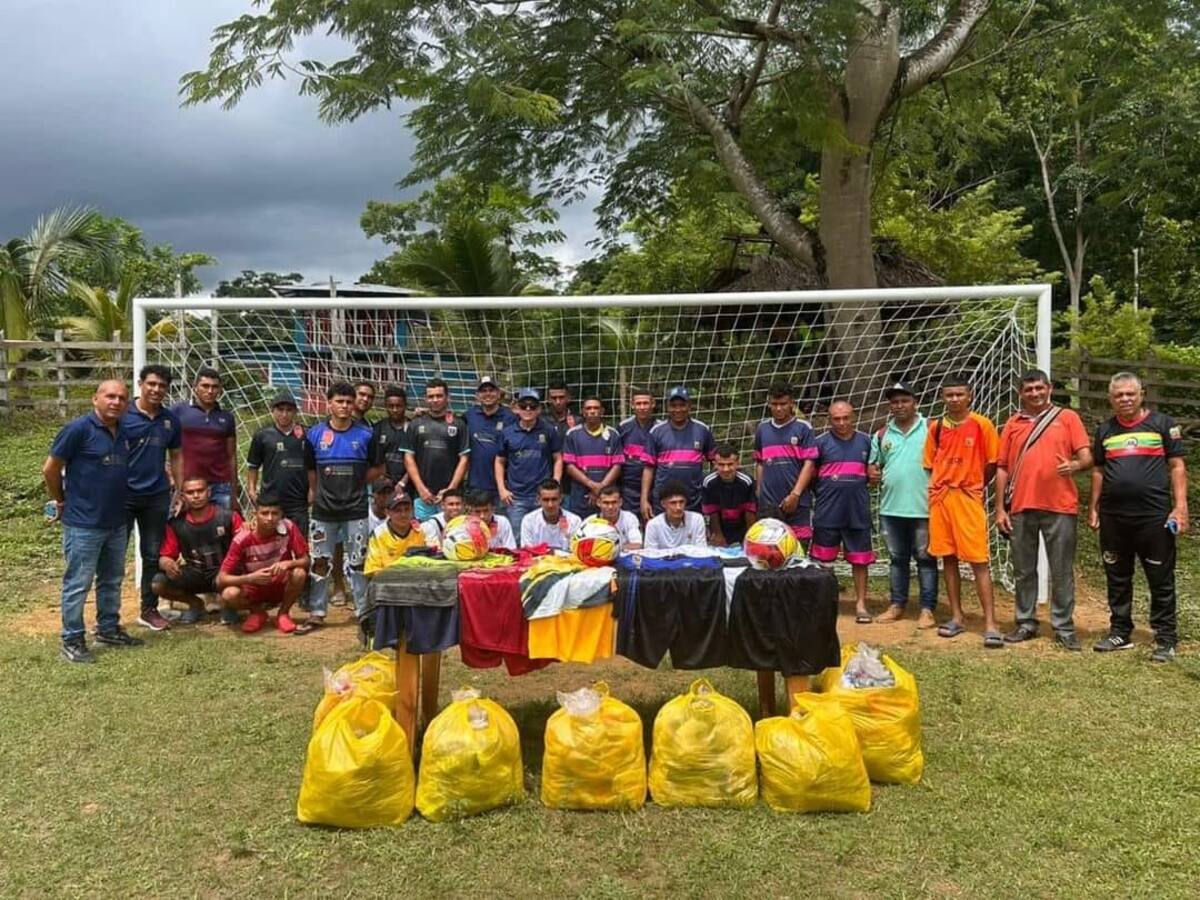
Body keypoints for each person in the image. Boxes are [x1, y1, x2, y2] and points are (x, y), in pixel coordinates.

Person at [1089, 372, 1188, 661]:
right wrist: (1093, 507)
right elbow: (1098, 470)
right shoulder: (1105, 430)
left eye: (1130, 393)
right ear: (1111, 399)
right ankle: (1120, 632)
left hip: (1154, 518)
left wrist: (1180, 507)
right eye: (1118, 395)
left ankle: (1166, 638)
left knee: (1160, 578)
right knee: (1117, 576)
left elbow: (1177, 467)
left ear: (1141, 394)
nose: (1125, 399)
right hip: (1114, 518)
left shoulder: (1163, 425)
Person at [43, 379, 142, 663]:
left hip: (116, 521)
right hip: (83, 524)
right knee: (78, 583)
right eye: (110, 396)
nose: (116, 402)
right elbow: (50, 469)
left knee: (112, 579)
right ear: (94, 399)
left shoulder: (125, 432)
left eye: (121, 398)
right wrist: (61, 500)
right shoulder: (78, 429)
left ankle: (108, 629)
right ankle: (72, 639)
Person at [994, 369, 1092, 650]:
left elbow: (1087, 457)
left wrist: (1074, 465)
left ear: (1049, 388)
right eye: (1029, 389)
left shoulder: (1067, 418)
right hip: (1021, 505)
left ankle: (1063, 627)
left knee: (1061, 570)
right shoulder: (1013, 423)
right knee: (1023, 569)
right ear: (1020, 393)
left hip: (1060, 505)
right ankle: (1026, 622)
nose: (1035, 393)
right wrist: (999, 508)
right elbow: (1002, 467)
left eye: (1039, 388)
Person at [924, 375, 1002, 647]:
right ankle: (957, 617)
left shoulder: (982, 425)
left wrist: (973, 484)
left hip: (968, 498)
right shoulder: (936, 427)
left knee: (979, 561)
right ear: (942, 397)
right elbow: (930, 464)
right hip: (941, 499)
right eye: (949, 395)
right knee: (948, 558)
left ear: (970, 396)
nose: (954, 399)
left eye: (959, 394)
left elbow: (992, 463)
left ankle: (990, 623)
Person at [304, 380, 383, 630]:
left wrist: (357, 482)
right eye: (339, 401)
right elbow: (310, 469)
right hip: (323, 510)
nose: (345, 406)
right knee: (320, 561)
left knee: (358, 561)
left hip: (356, 508)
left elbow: (379, 468)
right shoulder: (314, 434)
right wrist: (315, 491)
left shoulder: (366, 435)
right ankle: (317, 611)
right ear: (329, 404)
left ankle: (363, 611)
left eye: (349, 402)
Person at [795, 401, 875, 621]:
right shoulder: (820, 443)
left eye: (846, 417)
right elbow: (811, 476)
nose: (841, 423)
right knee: (823, 562)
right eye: (836, 419)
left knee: (860, 560)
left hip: (857, 511)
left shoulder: (867, 441)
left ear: (853, 417)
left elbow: (873, 472)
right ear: (829, 419)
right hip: (827, 512)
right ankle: (824, 603)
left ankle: (861, 605)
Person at [869, 381, 937, 628]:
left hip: (924, 508)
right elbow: (873, 466)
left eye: (904, 401)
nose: (899, 406)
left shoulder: (931, 428)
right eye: (895, 402)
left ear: (915, 402)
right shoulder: (881, 434)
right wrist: (872, 472)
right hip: (891, 508)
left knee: (926, 559)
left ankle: (927, 609)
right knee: (897, 559)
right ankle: (897, 605)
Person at [122, 365, 183, 632]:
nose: (156, 389)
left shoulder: (170, 420)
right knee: (113, 556)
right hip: (122, 496)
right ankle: (107, 617)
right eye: (152, 384)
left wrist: (179, 490)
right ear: (140, 384)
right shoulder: (122, 414)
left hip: (156, 496)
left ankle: (148, 610)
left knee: (151, 555)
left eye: (162, 386)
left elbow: (177, 456)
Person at [153, 476, 244, 625]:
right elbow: (166, 555)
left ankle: (228, 606)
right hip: (195, 573)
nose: (196, 496)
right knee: (158, 584)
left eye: (200, 491)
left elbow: (246, 548)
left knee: (235, 587)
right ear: (183, 496)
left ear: (209, 492)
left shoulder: (229, 517)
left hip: (225, 573)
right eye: (190, 492)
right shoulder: (175, 524)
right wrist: (166, 562)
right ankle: (196, 604)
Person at [217, 491, 310, 634]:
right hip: (253, 588)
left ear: (281, 514)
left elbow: (306, 560)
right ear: (255, 514)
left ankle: (283, 613)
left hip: (280, 584)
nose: (270, 518)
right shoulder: (242, 538)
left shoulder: (289, 527)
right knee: (229, 594)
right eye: (264, 513)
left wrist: (288, 564)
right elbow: (221, 578)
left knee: (299, 573)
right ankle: (257, 612)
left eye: (275, 513)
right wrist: (250, 578)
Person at [754, 381, 817, 546]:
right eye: (774, 404)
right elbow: (760, 462)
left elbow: (809, 464)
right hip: (769, 503)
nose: (778, 408)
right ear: (768, 403)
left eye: (783, 404)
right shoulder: (762, 428)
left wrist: (795, 494)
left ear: (791, 403)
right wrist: (760, 491)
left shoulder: (804, 428)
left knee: (799, 549)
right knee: (768, 551)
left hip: (797, 502)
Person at [640, 386, 716, 518]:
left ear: (689, 406)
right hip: (663, 499)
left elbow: (715, 461)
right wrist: (644, 499)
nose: (678, 409)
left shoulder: (702, 430)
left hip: (694, 498)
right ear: (667, 407)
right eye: (673, 406)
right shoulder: (656, 431)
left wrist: (711, 490)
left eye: (682, 405)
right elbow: (648, 468)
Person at [496, 388, 563, 537]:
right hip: (516, 497)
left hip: (543, 496)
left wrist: (556, 482)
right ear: (516, 408)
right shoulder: (507, 433)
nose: (528, 409)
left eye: (532, 406)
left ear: (539, 409)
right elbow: (499, 461)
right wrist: (502, 489)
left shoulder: (548, 430)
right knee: (518, 538)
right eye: (523, 406)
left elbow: (558, 458)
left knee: (543, 537)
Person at [402, 377, 470, 523]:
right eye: (431, 396)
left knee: (453, 533)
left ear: (447, 398)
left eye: (439, 396)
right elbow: (408, 458)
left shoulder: (459, 424)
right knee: (425, 534)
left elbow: (464, 459)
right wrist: (421, 488)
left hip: (452, 497)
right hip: (423, 495)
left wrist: (450, 490)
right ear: (425, 399)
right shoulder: (415, 424)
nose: (435, 400)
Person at [172, 367, 239, 512]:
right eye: (205, 386)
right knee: (183, 524)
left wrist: (234, 492)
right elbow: (165, 447)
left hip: (220, 485)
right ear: (195, 387)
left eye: (214, 387)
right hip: (189, 485)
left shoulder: (227, 417)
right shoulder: (178, 411)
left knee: (222, 525)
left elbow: (231, 456)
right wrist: (173, 480)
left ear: (220, 390)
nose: (210, 391)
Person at [246, 392, 311, 538]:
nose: (284, 414)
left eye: (289, 410)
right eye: (280, 410)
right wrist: (251, 489)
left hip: (298, 500)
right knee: (271, 543)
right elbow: (253, 466)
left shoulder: (306, 434)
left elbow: (312, 466)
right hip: (271, 501)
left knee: (299, 541)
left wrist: (313, 490)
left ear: (295, 412)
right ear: (273, 411)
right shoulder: (262, 435)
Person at [562, 396, 624, 518]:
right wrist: (591, 485)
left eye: (596, 408)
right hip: (580, 496)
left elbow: (617, 466)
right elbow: (569, 467)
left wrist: (600, 488)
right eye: (588, 408)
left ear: (602, 411)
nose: (592, 411)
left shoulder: (613, 434)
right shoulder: (572, 434)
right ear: (583, 412)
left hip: (607, 497)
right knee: (581, 527)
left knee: (607, 527)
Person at [464, 376, 516, 511]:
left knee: (500, 523)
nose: (488, 394)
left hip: (503, 488)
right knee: (475, 523)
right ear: (477, 395)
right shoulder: (469, 415)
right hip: (475, 485)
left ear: (499, 393)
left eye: (491, 390)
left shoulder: (510, 417)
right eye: (483, 391)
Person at [701, 444, 756, 546]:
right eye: (721, 465)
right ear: (715, 464)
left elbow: (749, 511)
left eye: (730, 464)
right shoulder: (708, 482)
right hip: (721, 526)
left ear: (737, 463)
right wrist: (718, 534)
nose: (726, 469)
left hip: (742, 525)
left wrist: (750, 537)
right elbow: (712, 511)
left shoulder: (746, 481)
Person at [364, 490, 428, 573]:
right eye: (398, 510)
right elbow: (373, 570)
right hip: (388, 578)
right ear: (387, 512)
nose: (403, 514)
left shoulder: (422, 529)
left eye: (407, 509)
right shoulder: (378, 534)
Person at [618, 388, 658, 515]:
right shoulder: (623, 427)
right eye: (638, 404)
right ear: (632, 405)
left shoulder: (661, 428)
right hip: (628, 489)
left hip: (656, 488)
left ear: (653, 404)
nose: (642, 407)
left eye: (645, 403)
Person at [644, 480, 708, 550]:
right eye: (673, 503)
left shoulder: (696, 520)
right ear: (663, 504)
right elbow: (651, 553)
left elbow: (701, 551)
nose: (678, 507)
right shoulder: (653, 525)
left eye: (681, 502)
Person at [519, 479, 581, 550]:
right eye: (546, 500)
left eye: (554, 499)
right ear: (538, 500)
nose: (550, 505)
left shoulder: (574, 521)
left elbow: (576, 551)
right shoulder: (529, 521)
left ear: (561, 499)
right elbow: (527, 552)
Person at [374, 385, 410, 487]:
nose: (394, 410)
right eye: (391, 406)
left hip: (407, 485)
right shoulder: (378, 428)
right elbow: (376, 459)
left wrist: (403, 482)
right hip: (383, 485)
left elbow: (417, 461)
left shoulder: (412, 428)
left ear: (405, 406)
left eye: (398, 406)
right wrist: (383, 478)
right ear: (386, 406)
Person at [596, 484, 643, 549]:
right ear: (598, 503)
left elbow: (637, 545)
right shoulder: (589, 523)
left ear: (620, 502)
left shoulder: (630, 518)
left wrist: (609, 549)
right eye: (606, 503)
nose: (610, 507)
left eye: (614, 502)